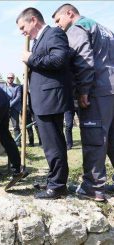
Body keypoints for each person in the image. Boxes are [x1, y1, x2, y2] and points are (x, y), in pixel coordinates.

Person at [52, 3, 114, 201]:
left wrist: (84, 90)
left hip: (97, 91)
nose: (58, 25)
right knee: (111, 139)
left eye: (58, 20)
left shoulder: (78, 28)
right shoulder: (103, 29)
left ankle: (93, 188)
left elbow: (83, 59)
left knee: (94, 140)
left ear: (70, 13)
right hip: (111, 89)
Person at [17, 7, 72, 199]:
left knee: (53, 144)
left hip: (51, 99)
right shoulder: (39, 40)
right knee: (50, 144)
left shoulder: (54, 33)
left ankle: (57, 186)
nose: (22, 32)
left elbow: (59, 60)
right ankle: (53, 180)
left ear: (33, 20)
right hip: (42, 99)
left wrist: (31, 58)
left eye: (23, 27)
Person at [0, 73, 22, 146]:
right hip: (5, 110)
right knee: (4, 126)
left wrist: (9, 105)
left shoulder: (17, 87)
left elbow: (18, 97)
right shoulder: (3, 87)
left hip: (14, 109)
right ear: (6, 78)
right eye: (9, 77)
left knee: (16, 126)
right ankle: (7, 143)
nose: (10, 79)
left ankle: (18, 143)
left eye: (11, 78)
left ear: (13, 78)